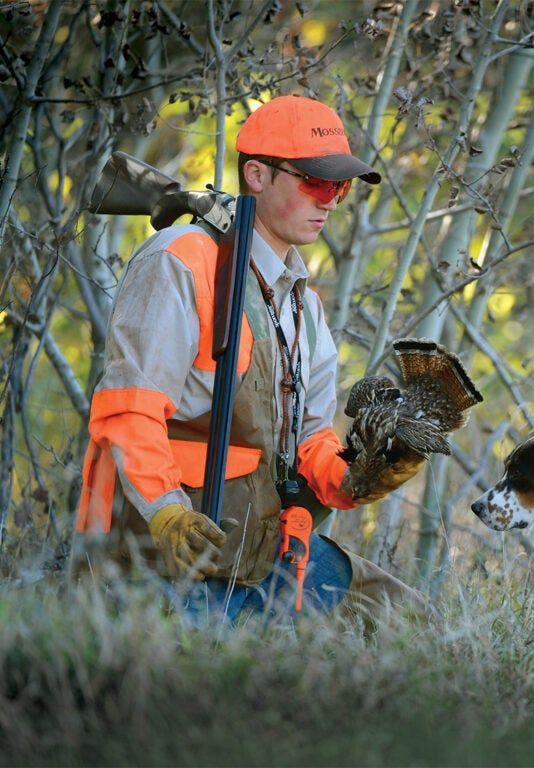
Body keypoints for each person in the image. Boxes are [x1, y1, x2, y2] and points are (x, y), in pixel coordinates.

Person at [75, 94, 431, 622]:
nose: (330, 200)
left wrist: (367, 469)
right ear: (258, 176)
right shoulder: (181, 259)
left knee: (407, 622)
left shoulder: (302, 303)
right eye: (315, 182)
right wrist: (168, 514)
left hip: (263, 553)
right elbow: (130, 412)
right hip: (164, 556)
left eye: (340, 186)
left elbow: (309, 437)